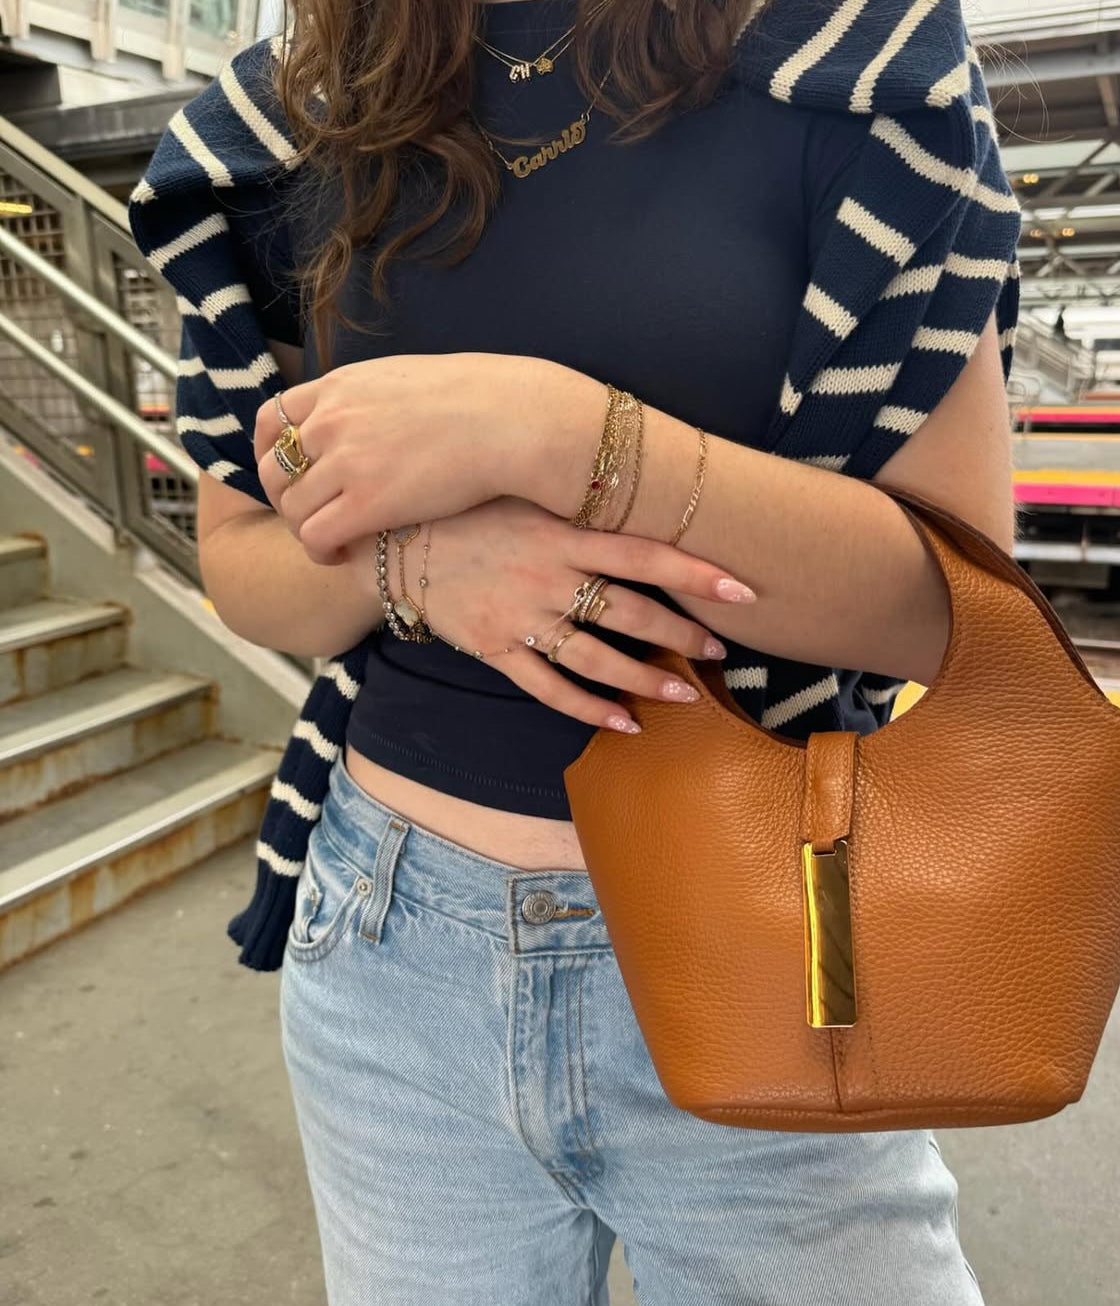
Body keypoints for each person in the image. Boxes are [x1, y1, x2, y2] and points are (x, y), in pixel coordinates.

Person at [130, 0, 1021, 1300]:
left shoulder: (850, 65)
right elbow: (241, 558)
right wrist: (413, 564)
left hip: (770, 935)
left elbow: (949, 604)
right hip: (389, 952)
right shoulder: (289, 121)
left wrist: (562, 439)